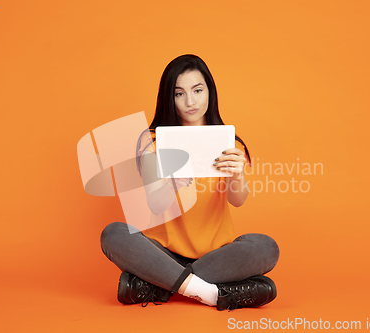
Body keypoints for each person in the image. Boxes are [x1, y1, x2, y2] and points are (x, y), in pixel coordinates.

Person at [101, 54, 280, 311]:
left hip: (216, 256)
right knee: (114, 233)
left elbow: (237, 201)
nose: (190, 101)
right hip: (162, 253)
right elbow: (155, 204)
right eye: (179, 94)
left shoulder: (228, 141)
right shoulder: (152, 141)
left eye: (197, 90)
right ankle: (212, 294)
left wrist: (237, 174)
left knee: (266, 247)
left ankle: (158, 283)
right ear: (169, 98)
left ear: (210, 91)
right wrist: (173, 182)